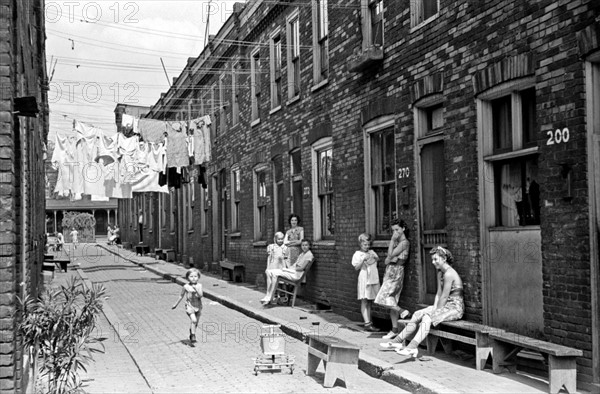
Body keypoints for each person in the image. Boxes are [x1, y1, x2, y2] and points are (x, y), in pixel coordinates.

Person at [380, 246, 464, 357]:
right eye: (432, 260)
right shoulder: (440, 273)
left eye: (436, 259)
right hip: (445, 306)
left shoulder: (449, 273)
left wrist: (435, 312)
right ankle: (397, 342)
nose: (433, 262)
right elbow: (438, 294)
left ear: (444, 259)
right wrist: (434, 307)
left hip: (454, 308)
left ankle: (412, 347)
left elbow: (444, 297)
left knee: (427, 317)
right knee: (416, 314)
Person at [375, 219, 411, 340]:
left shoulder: (404, 243)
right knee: (391, 300)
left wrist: (391, 240)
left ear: (403, 229)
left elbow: (390, 255)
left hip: (396, 272)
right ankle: (394, 329)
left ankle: (402, 311)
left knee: (382, 298)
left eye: (397, 229)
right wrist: (390, 258)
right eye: (393, 230)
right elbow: (387, 260)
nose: (395, 232)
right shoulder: (397, 243)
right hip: (390, 270)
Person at [261, 239, 314, 305]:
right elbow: (295, 265)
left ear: (309, 246)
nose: (304, 247)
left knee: (275, 274)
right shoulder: (302, 254)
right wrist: (288, 269)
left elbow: (301, 268)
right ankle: (268, 295)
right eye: (303, 245)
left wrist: (290, 269)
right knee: (269, 272)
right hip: (292, 272)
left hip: (296, 275)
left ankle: (270, 296)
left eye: (306, 245)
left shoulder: (309, 255)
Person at [352, 233, 380, 332]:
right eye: (365, 245)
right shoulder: (357, 254)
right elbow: (356, 267)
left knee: (369, 300)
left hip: (372, 277)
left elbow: (377, 259)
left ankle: (369, 322)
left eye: (368, 245)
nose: (367, 247)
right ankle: (367, 323)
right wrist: (363, 259)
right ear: (360, 244)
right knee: (364, 300)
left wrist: (373, 256)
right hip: (364, 277)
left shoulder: (371, 251)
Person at [172, 268, 204, 344]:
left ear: (198, 277)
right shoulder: (186, 286)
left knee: (196, 322)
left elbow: (201, 295)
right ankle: (193, 335)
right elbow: (181, 296)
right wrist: (176, 304)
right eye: (191, 276)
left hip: (198, 306)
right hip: (189, 306)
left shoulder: (199, 286)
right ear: (187, 278)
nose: (193, 278)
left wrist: (196, 290)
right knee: (194, 320)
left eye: (195, 276)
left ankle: (192, 331)